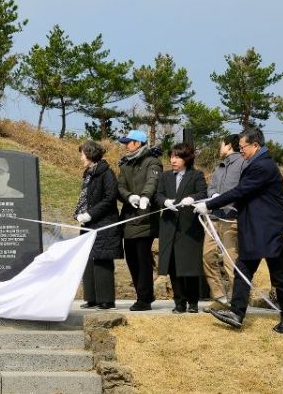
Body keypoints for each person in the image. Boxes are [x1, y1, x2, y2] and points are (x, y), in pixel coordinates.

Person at [195, 128, 283, 333]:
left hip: (272, 230)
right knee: (242, 270)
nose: (240, 151)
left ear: (255, 146)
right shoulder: (255, 164)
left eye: (243, 147)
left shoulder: (263, 166)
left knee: (278, 275)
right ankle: (237, 313)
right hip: (255, 230)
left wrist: (210, 204)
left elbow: (241, 191)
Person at [155, 143, 207, 313]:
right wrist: (164, 201)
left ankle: (193, 302)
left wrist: (192, 198)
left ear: (186, 158)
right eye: (172, 156)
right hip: (169, 225)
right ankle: (179, 302)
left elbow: (203, 193)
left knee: (190, 265)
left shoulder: (196, 175)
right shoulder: (165, 176)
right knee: (173, 266)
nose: (173, 160)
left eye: (177, 157)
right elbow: (158, 194)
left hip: (189, 227)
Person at [73, 141, 122, 310]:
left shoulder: (106, 173)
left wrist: (90, 213)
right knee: (88, 260)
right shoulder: (88, 173)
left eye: (82, 155)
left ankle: (106, 300)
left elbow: (110, 197)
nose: (81, 158)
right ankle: (92, 298)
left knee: (102, 260)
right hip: (89, 224)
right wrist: (81, 214)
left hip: (105, 224)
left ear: (90, 155)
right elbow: (85, 197)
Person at [117, 129, 162, 311]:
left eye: (128, 142)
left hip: (146, 216)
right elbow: (120, 186)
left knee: (143, 258)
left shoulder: (152, 162)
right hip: (129, 217)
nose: (126, 145)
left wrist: (144, 196)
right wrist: (129, 197)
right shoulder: (125, 164)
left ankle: (144, 299)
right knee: (131, 258)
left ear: (138, 143)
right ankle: (143, 294)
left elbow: (152, 182)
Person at [202, 134, 244, 311]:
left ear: (228, 145)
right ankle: (220, 298)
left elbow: (243, 190)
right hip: (213, 218)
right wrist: (213, 196)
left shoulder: (243, 164)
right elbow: (211, 187)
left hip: (231, 219)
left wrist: (226, 200)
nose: (220, 148)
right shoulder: (219, 167)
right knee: (207, 256)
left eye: (221, 144)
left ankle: (237, 303)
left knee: (230, 261)